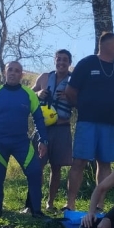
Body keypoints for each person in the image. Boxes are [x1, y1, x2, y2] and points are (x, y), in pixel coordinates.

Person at [0, 61, 49, 220]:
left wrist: (43, 140)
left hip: (22, 144)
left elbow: (39, 119)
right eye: (10, 70)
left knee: (35, 173)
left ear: (22, 74)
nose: (13, 73)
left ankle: (36, 211)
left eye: (17, 71)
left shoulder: (29, 94)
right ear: (5, 73)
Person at [64, 32, 114, 211]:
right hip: (87, 123)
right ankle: (70, 204)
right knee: (79, 162)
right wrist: (83, 108)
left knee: (105, 162)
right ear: (106, 45)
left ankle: (99, 204)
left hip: (111, 124)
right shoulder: (86, 63)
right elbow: (70, 91)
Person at [31, 49, 74, 211]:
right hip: (42, 129)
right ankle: (33, 203)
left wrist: (69, 97)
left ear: (69, 63)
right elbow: (28, 93)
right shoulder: (43, 77)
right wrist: (38, 93)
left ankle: (50, 203)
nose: (61, 62)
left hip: (62, 128)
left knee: (56, 168)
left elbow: (80, 102)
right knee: (36, 167)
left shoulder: (74, 80)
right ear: (54, 60)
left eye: (65, 60)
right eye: (59, 59)